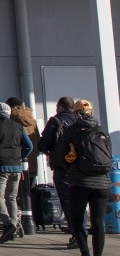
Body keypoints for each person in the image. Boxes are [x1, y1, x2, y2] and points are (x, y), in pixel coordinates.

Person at [53, 99, 112, 256]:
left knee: (78, 221)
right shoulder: (103, 131)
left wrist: (71, 169)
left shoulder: (72, 131)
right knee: (98, 222)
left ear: (76, 114)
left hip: (80, 182)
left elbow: (60, 157)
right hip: (102, 183)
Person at [0, 101, 32, 244]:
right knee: (11, 197)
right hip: (16, 166)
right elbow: (29, 146)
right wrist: (21, 156)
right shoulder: (18, 126)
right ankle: (13, 226)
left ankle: (7, 223)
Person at [38, 96, 78, 247]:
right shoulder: (79, 119)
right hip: (80, 167)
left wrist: (52, 151)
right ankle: (82, 230)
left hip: (63, 166)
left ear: (60, 106)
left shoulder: (56, 121)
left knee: (67, 200)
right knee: (82, 198)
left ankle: (76, 234)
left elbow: (43, 144)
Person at [7, 97, 42, 176]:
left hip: (16, 162)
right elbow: (38, 140)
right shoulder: (31, 118)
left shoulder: (11, 119)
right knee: (29, 186)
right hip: (32, 161)